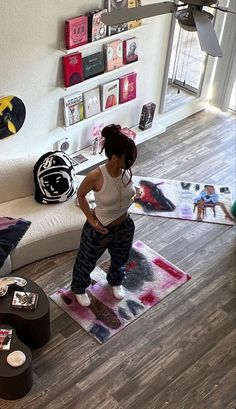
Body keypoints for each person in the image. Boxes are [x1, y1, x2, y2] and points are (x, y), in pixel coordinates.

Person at [71, 124, 137, 307]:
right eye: (128, 156)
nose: (131, 160)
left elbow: (123, 192)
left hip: (124, 225)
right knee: (86, 261)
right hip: (100, 228)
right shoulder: (96, 175)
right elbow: (81, 195)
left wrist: (133, 194)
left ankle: (115, 281)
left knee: (121, 258)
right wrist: (90, 220)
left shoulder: (125, 172)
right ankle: (78, 288)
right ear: (115, 157)